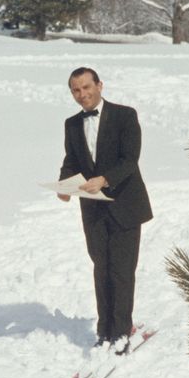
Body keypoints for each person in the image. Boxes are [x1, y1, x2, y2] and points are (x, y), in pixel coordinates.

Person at [58, 66, 152, 350]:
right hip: (93, 209)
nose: (82, 94)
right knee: (101, 268)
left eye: (86, 87)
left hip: (125, 205)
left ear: (100, 85)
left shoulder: (125, 115)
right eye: (76, 90)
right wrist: (64, 185)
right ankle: (105, 331)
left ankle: (122, 331)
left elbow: (130, 159)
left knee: (121, 270)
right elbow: (72, 160)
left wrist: (105, 179)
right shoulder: (72, 124)